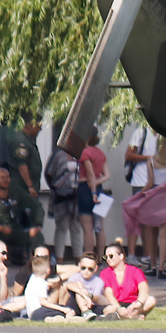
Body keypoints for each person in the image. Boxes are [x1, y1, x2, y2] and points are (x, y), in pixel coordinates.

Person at [141, 138, 166, 278]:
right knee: (164, 234)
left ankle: (152, 265)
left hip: (154, 196)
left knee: (152, 234)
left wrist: (140, 195)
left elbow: (150, 182)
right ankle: (161, 267)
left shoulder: (151, 160)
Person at [0, 166, 43, 289]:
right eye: (2, 177)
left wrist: (37, 224)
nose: (5, 180)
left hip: (15, 229)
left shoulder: (16, 192)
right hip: (1, 231)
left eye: (7, 177)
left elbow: (36, 206)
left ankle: (38, 264)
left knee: (36, 236)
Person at [122, 121, 157, 266]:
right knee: (136, 218)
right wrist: (148, 158)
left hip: (155, 181)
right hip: (140, 181)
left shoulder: (163, 135)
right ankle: (131, 254)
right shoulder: (141, 131)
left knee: (149, 220)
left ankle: (147, 255)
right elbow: (128, 155)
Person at [43, 131, 81, 262]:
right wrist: (56, 187)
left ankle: (78, 257)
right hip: (61, 197)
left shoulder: (80, 155)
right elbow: (48, 173)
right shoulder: (58, 155)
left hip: (76, 197)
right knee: (62, 226)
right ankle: (59, 258)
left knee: (76, 227)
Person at [99, 240, 155, 319]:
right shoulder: (105, 273)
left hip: (132, 304)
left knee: (151, 300)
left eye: (111, 256)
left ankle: (126, 316)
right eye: (105, 257)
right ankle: (132, 317)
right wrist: (119, 308)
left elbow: (144, 289)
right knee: (110, 308)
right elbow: (108, 294)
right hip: (114, 304)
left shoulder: (135, 271)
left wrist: (138, 303)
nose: (108, 259)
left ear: (121, 256)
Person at [77, 127, 108, 263]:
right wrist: (97, 184)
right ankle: (101, 258)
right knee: (99, 226)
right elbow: (107, 175)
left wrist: (93, 190)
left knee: (87, 227)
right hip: (100, 189)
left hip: (86, 189)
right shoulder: (100, 153)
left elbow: (89, 174)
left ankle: (89, 257)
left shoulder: (85, 153)